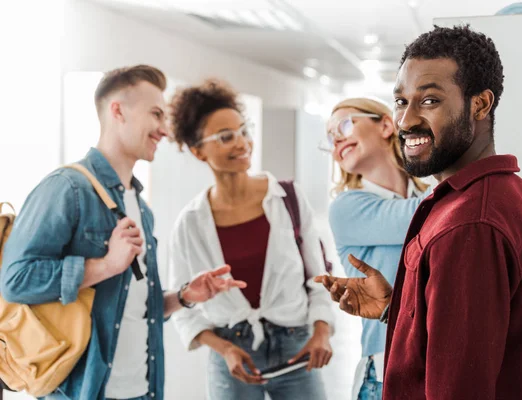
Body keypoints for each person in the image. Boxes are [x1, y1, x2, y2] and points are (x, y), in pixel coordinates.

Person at [315, 25, 522, 400]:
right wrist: (394, 310)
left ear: (480, 104)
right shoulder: (507, 194)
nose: (407, 120)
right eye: (400, 101)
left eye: (429, 101)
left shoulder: (469, 223)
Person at [0, 65, 246, 400]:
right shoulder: (66, 188)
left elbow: (136, 309)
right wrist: (105, 266)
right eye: (156, 114)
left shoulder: (140, 208)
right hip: (84, 391)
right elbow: (15, 281)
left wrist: (186, 296)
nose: (164, 130)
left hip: (142, 390)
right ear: (118, 111)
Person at [166, 79, 334, 400]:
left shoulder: (288, 197)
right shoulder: (190, 224)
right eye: (226, 137)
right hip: (232, 357)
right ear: (198, 150)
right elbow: (184, 308)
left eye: (244, 131)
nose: (242, 143)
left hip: (297, 349)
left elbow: (319, 278)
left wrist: (322, 332)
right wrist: (225, 349)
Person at [323, 97, 430, 400]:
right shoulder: (346, 207)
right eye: (330, 138)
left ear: (385, 125)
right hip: (386, 376)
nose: (337, 139)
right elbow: (422, 215)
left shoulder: (425, 193)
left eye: (344, 125)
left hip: (438, 367)